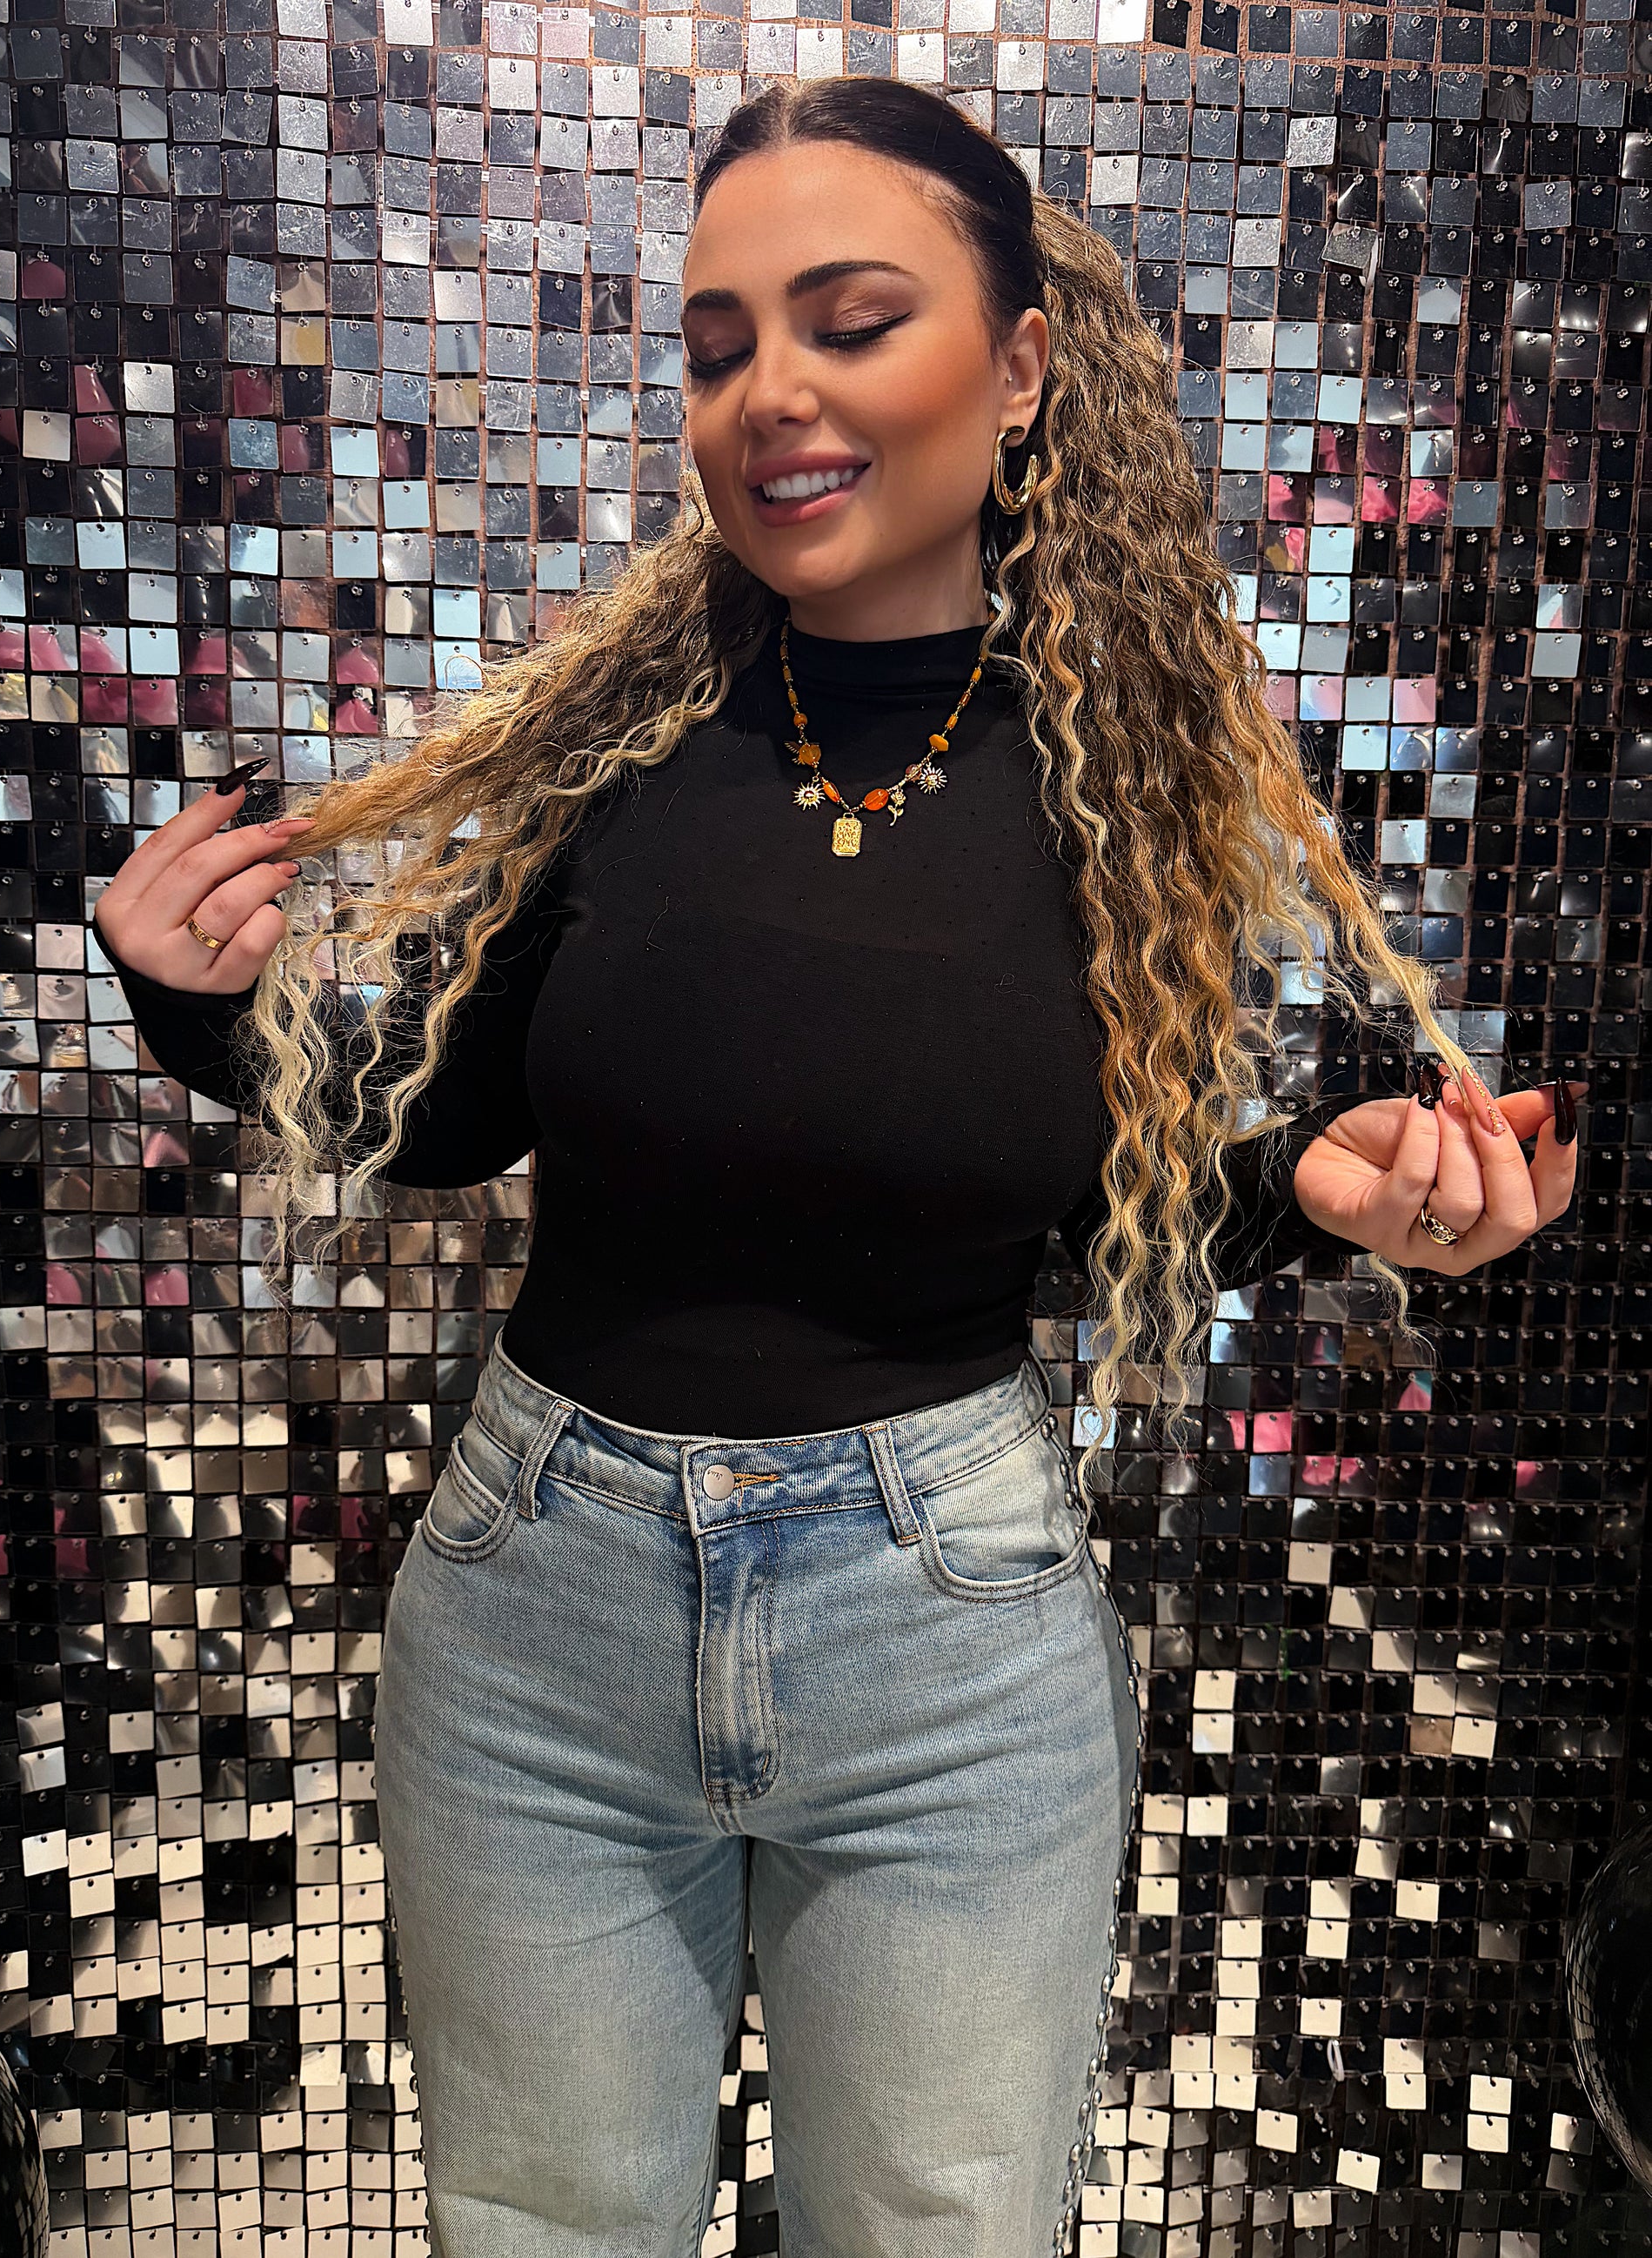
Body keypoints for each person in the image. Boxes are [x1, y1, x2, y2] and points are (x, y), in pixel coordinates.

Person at [90, 75, 1584, 2258]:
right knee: (542, 2228)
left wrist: (1318, 1191)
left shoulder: (1129, 785)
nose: (769, 393)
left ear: (1021, 362)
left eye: (851, 319)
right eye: (718, 347)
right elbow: (459, 1117)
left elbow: (1078, 1203)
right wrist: (204, 1012)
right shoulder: (621, 744)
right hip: (540, 1624)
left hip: (945, 1650)